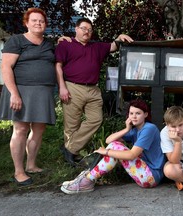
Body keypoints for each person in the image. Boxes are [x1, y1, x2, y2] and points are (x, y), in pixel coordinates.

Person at [55, 17, 134, 166]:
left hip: (93, 88)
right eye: (84, 28)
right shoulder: (66, 44)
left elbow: (112, 46)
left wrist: (119, 38)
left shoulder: (96, 47)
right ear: (76, 29)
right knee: (72, 125)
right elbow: (58, 66)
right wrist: (62, 87)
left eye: (90, 30)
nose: (87, 32)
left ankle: (69, 149)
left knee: (96, 119)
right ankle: (73, 155)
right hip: (72, 87)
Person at [0, 8, 56, 186]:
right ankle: (18, 171)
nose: (38, 23)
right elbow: (6, 67)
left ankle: (31, 165)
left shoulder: (49, 44)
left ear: (45, 24)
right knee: (21, 130)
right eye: (34, 20)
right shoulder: (16, 41)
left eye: (42, 21)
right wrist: (14, 94)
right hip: (21, 90)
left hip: (43, 91)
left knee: (38, 129)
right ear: (27, 22)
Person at [60, 99, 166, 194]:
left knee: (115, 147)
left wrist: (106, 152)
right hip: (144, 174)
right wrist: (126, 129)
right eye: (131, 113)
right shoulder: (134, 131)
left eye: (138, 113)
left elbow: (132, 155)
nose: (134, 116)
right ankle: (87, 179)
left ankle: (87, 180)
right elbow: (108, 140)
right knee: (113, 145)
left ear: (146, 114)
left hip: (151, 176)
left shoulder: (149, 129)